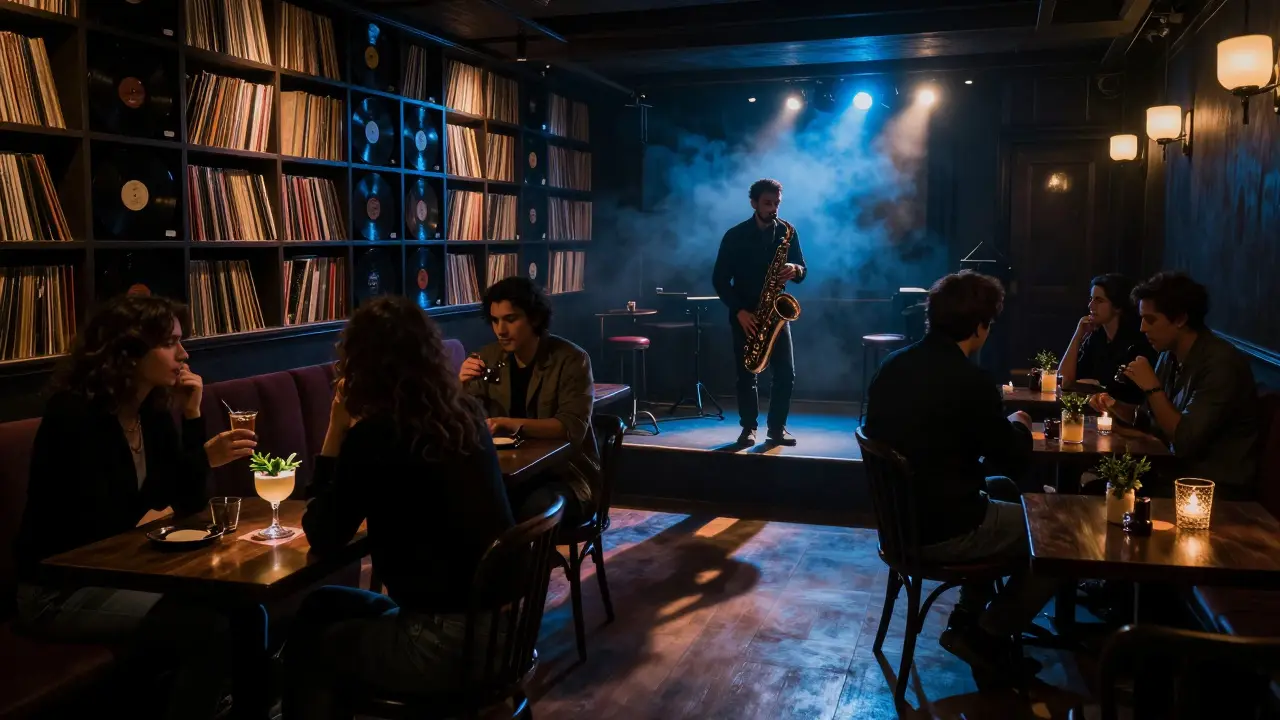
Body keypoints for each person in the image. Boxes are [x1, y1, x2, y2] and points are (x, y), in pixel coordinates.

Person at [14, 294, 266, 720]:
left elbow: (186, 503)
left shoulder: (151, 412)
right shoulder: (74, 416)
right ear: (128, 353)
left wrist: (192, 417)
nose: (184, 354)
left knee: (248, 609)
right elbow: (101, 526)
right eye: (170, 343)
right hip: (58, 590)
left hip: (124, 572)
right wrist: (187, 474)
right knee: (209, 626)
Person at [285, 296, 515, 719]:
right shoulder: (464, 414)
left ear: (361, 366)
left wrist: (336, 429)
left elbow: (323, 534)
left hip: (443, 645)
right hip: (505, 634)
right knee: (322, 605)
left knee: (313, 648)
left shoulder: (375, 437)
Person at [864, 270, 1057, 676]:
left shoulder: (893, 365)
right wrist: (1020, 424)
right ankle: (987, 633)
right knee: (1057, 537)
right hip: (945, 529)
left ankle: (966, 618)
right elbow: (1013, 458)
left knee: (1003, 489)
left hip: (901, 522)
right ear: (980, 326)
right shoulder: (971, 381)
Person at [1089, 272, 1260, 498]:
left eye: (1150, 320)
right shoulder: (1168, 354)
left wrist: (1152, 388)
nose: (1142, 328)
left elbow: (1184, 440)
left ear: (1180, 319)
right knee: (1093, 486)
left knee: (1104, 495)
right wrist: (1114, 406)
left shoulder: (1221, 364)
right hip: (1169, 474)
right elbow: (1151, 419)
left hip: (1209, 489)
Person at [459, 276, 599, 527]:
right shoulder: (487, 358)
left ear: (534, 318)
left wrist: (507, 423)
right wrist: (460, 386)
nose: (501, 330)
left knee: (533, 509)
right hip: (509, 472)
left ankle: (523, 554)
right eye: (495, 320)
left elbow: (571, 428)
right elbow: (469, 421)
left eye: (510, 319)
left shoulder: (571, 359)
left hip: (565, 475)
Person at [712, 178, 808, 447]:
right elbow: (720, 280)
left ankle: (776, 428)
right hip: (745, 315)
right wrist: (739, 311)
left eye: (777, 203)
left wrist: (795, 269)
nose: (773, 209)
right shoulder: (734, 236)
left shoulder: (787, 232)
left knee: (786, 374)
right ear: (753, 203)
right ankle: (748, 428)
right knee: (747, 374)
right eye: (767, 203)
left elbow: (803, 270)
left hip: (775, 311)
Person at [1057, 273, 1156, 405]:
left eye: (1099, 300)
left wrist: (1097, 386)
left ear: (1117, 306)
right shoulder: (1097, 337)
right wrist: (1077, 336)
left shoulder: (1136, 343)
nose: (1091, 305)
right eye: (1091, 299)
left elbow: (1130, 395)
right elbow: (1064, 381)